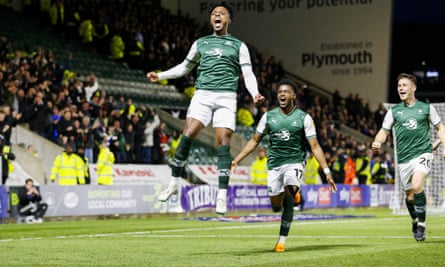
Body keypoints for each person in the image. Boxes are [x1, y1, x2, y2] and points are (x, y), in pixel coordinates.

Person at [146, 1, 265, 215]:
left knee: (223, 141)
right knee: (188, 134)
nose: (216, 16)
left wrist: (254, 92)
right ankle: (173, 184)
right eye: (213, 14)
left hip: (226, 96)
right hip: (202, 94)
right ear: (211, 20)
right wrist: (160, 75)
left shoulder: (239, 46)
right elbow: (184, 67)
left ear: (228, 19)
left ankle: (221, 195)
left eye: (221, 13)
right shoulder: (201, 43)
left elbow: (248, 74)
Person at [231, 79, 337, 252]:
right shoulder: (268, 117)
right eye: (280, 91)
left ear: (293, 96)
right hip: (274, 165)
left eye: (286, 91)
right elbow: (254, 141)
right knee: (275, 206)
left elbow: (315, 146)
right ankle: (291, 194)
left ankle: (281, 240)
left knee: (289, 194)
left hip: (295, 162)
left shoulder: (304, 118)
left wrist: (326, 171)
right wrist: (237, 159)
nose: (282, 94)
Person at [372, 73, 445, 242]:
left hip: (423, 153)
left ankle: (422, 225)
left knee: (418, 183)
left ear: (414, 88)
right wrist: (377, 141)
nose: (401, 88)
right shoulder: (394, 111)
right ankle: (414, 219)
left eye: (404, 85)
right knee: (410, 196)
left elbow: (440, 128)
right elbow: (384, 131)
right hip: (404, 159)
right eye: (399, 86)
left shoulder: (427, 108)